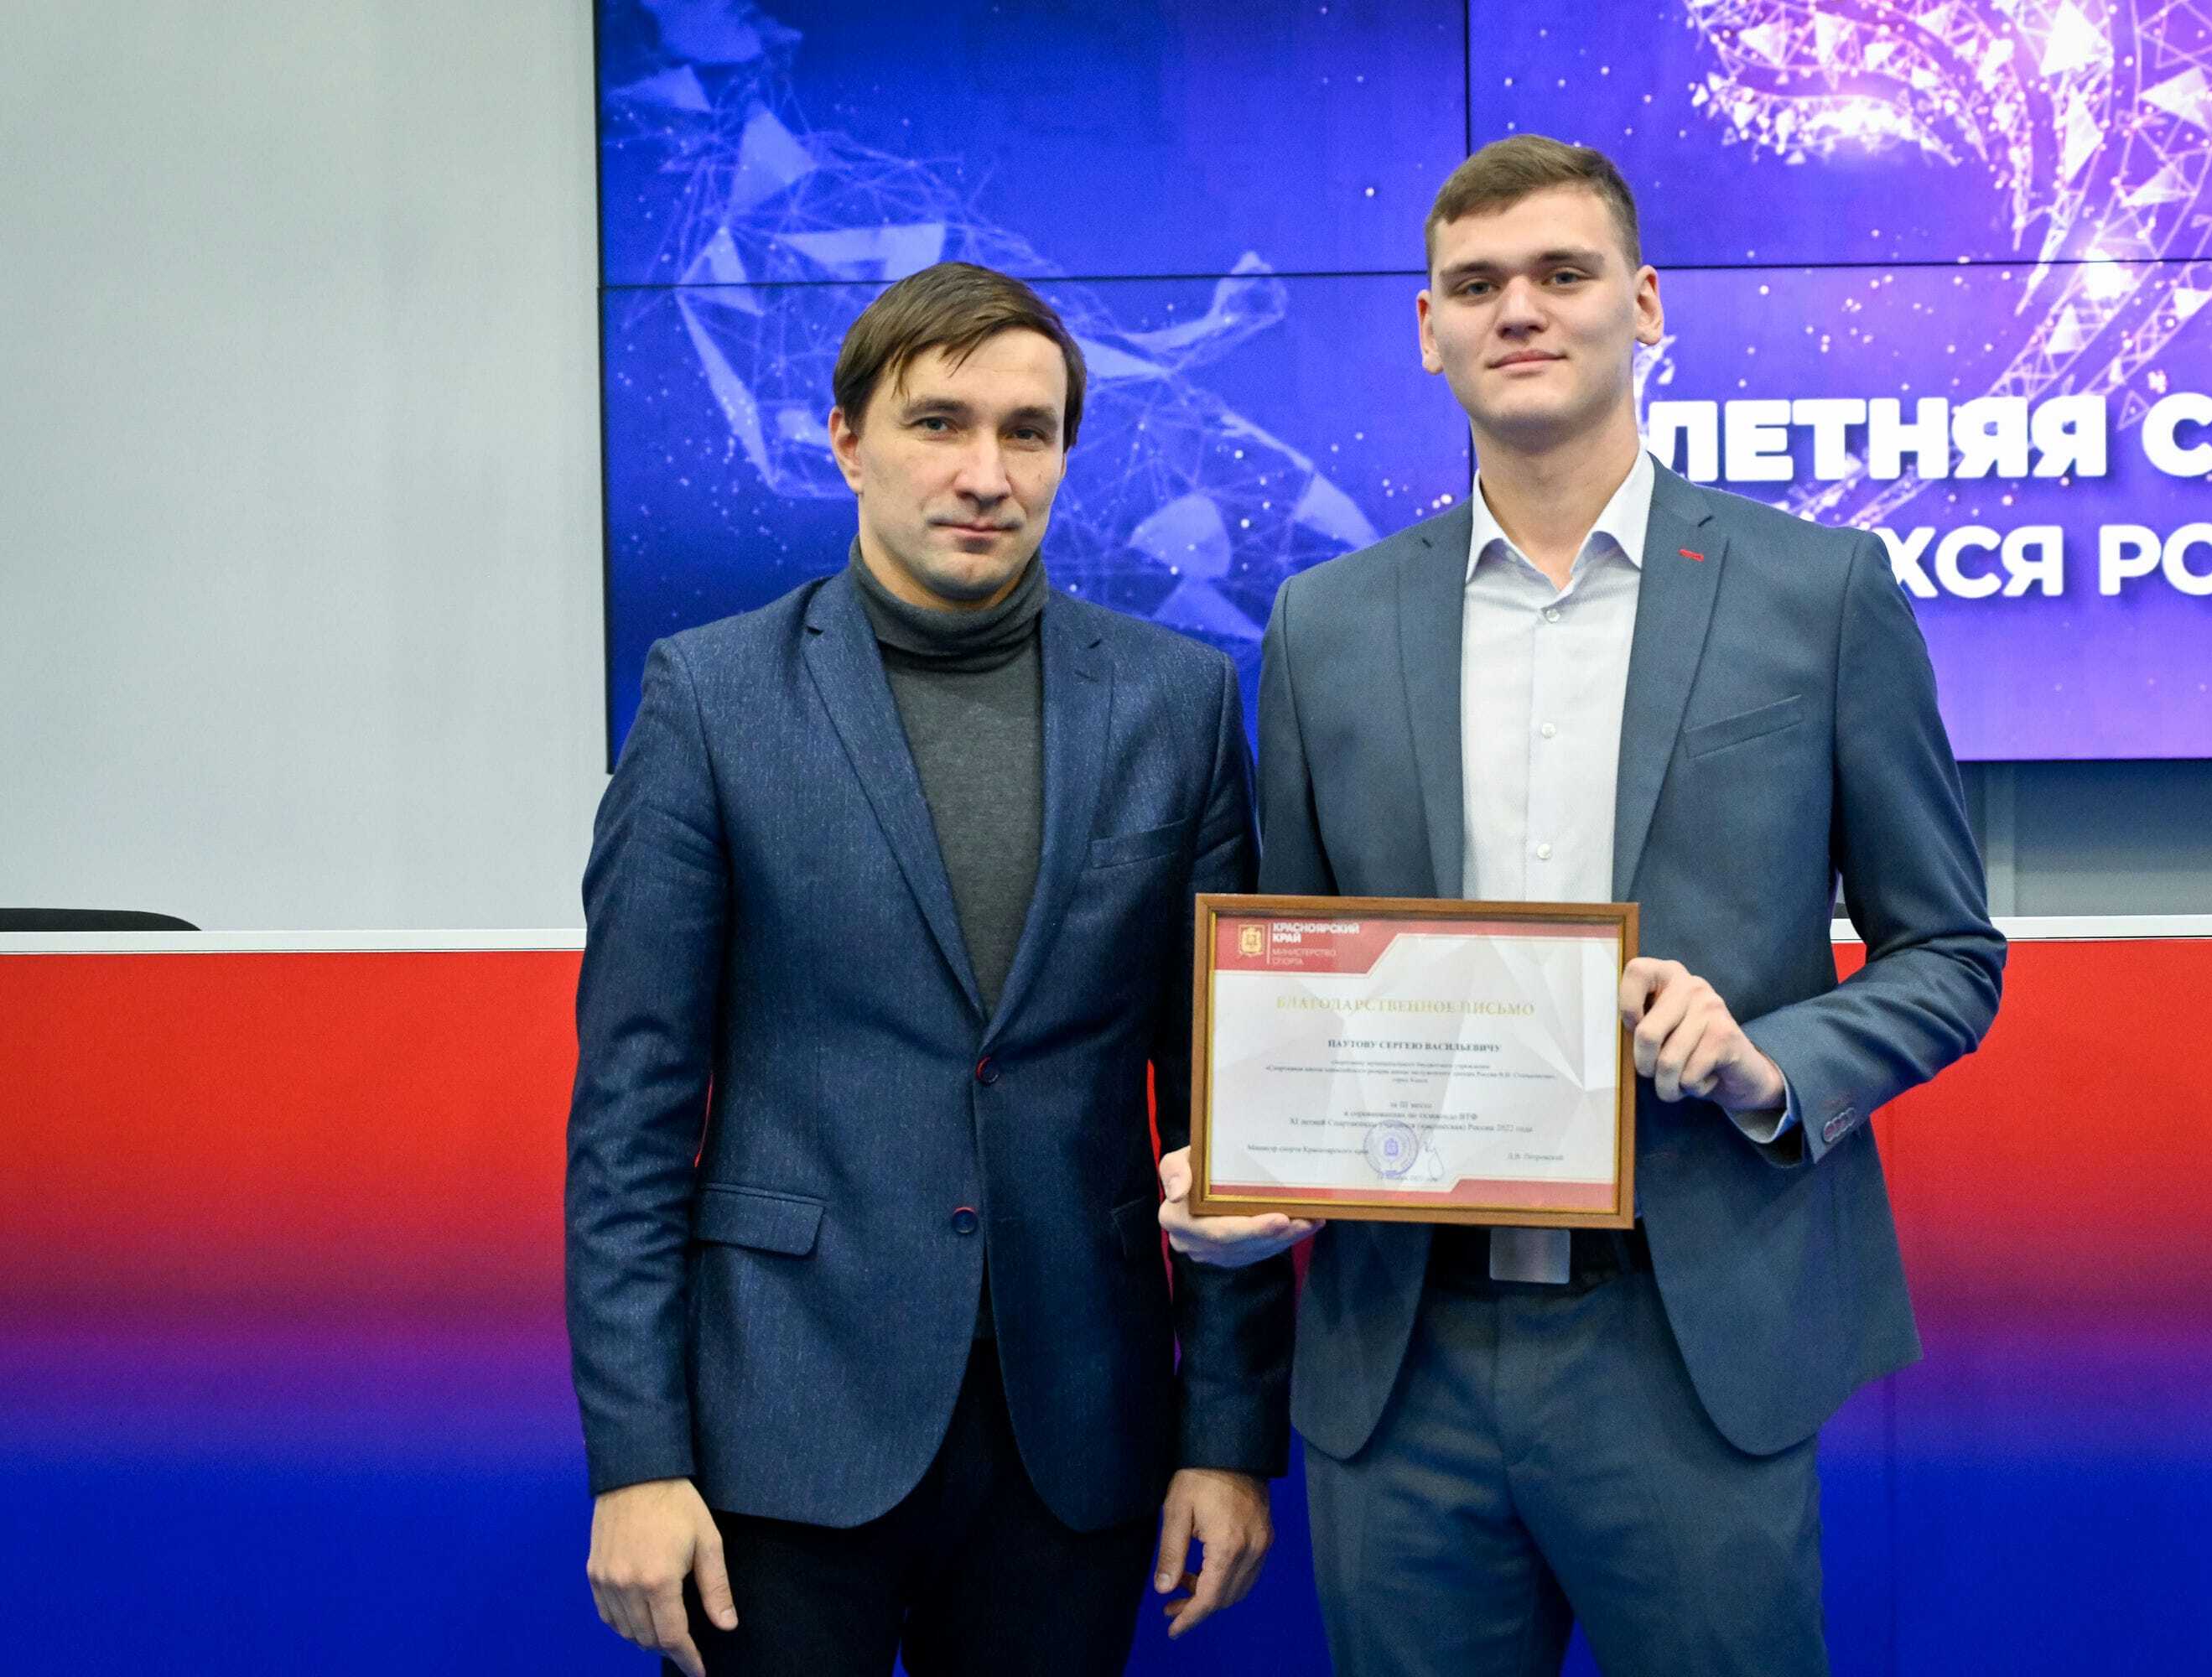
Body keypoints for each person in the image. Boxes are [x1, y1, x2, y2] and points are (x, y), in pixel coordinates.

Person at [1159, 137, 2005, 1674]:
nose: (1520, 310)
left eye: (1562, 273)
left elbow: (1948, 954)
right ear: (1428, 329)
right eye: (1477, 283)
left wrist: (1766, 1063)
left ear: (1647, 304)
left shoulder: (1820, 594)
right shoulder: (1326, 626)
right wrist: (1247, 1164)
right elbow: (1293, 977)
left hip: (1690, 1342)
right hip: (1401, 1356)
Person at [567, 260, 1295, 1677]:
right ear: (848, 442)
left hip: (1075, 1434)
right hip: (776, 1432)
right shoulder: (710, 696)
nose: (985, 473)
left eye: (1028, 432)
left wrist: (1225, 1433)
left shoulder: (1180, 704)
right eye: (939, 423)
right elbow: (630, 1119)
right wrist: (637, 1457)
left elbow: (1227, 1114)